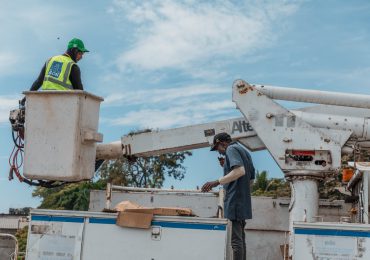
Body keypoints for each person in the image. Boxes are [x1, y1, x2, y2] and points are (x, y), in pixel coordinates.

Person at [201, 132, 255, 260]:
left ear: (222, 143)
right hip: (243, 200)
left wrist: (216, 182)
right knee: (241, 239)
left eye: (217, 148)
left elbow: (239, 171)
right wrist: (227, 166)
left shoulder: (231, 149)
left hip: (235, 200)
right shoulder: (243, 151)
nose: (218, 152)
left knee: (236, 241)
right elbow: (251, 177)